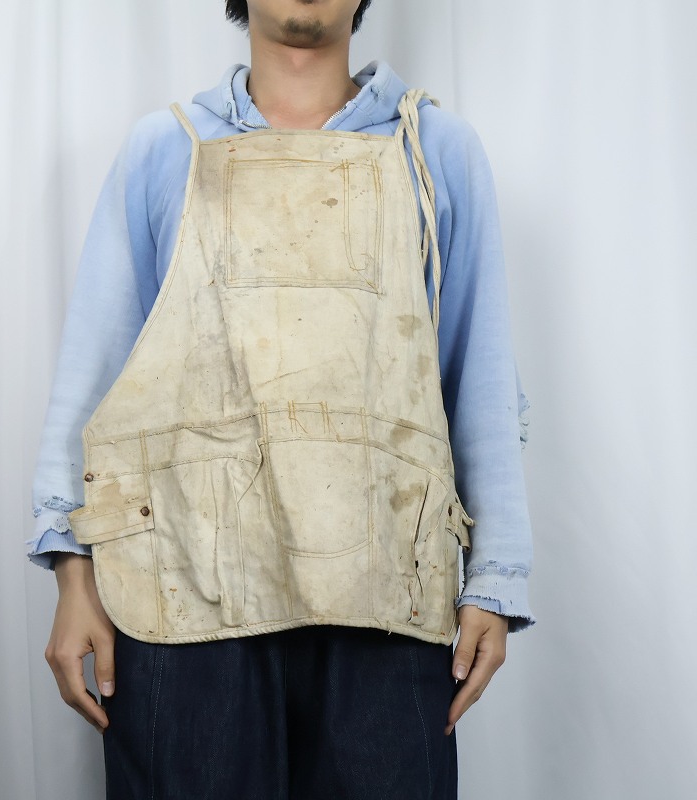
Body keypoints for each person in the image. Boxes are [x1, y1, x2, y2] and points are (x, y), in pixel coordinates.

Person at [29, 1, 534, 797]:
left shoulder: (434, 148)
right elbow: (93, 380)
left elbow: (482, 382)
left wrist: (495, 582)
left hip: (388, 593)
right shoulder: (165, 147)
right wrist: (71, 574)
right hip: (181, 588)